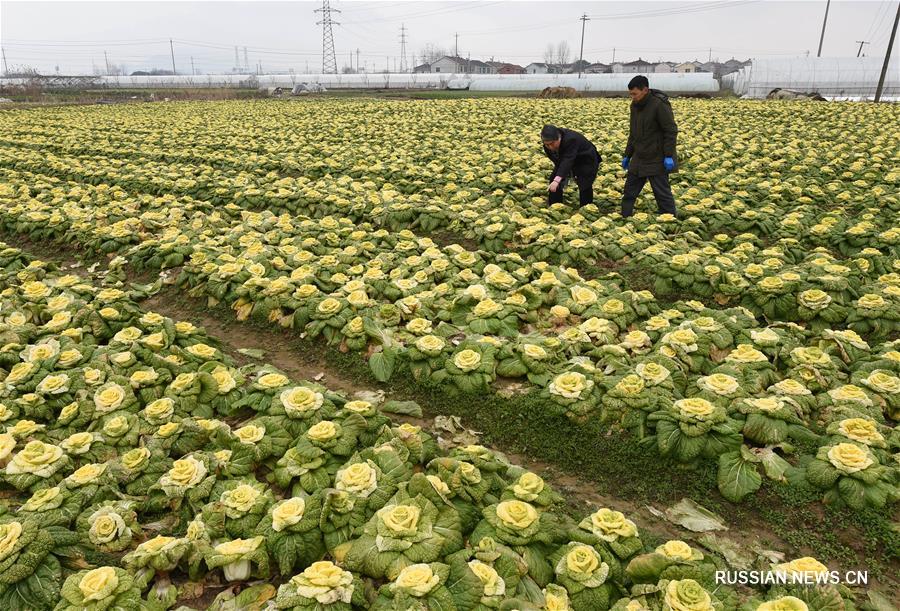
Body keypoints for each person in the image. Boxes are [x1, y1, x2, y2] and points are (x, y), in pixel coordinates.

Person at [621, 75, 678, 217]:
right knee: (629, 191)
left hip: (656, 156)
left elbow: (670, 130)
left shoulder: (659, 104)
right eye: (630, 94)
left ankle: (669, 219)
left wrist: (668, 156)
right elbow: (633, 132)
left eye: (635, 93)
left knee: (661, 192)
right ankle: (625, 216)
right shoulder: (634, 106)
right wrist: (628, 154)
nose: (632, 97)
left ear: (645, 90)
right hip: (639, 156)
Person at [541, 124, 601, 207]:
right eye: (547, 145)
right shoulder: (547, 144)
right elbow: (559, 160)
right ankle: (555, 205)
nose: (550, 147)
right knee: (553, 181)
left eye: (552, 144)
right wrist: (559, 176)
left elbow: (568, 159)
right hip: (566, 159)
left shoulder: (571, 140)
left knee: (584, 183)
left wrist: (558, 179)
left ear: (559, 138)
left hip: (585, 159)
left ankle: (586, 207)